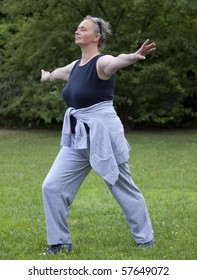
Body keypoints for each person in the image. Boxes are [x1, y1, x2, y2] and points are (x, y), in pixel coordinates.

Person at [40, 15, 156, 255]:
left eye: (83, 29)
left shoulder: (102, 63)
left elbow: (116, 62)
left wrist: (133, 57)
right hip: (78, 135)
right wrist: (47, 76)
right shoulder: (75, 67)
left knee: (122, 185)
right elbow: (57, 74)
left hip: (103, 132)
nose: (77, 31)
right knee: (52, 186)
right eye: (77, 27)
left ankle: (145, 239)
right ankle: (60, 243)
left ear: (97, 37)